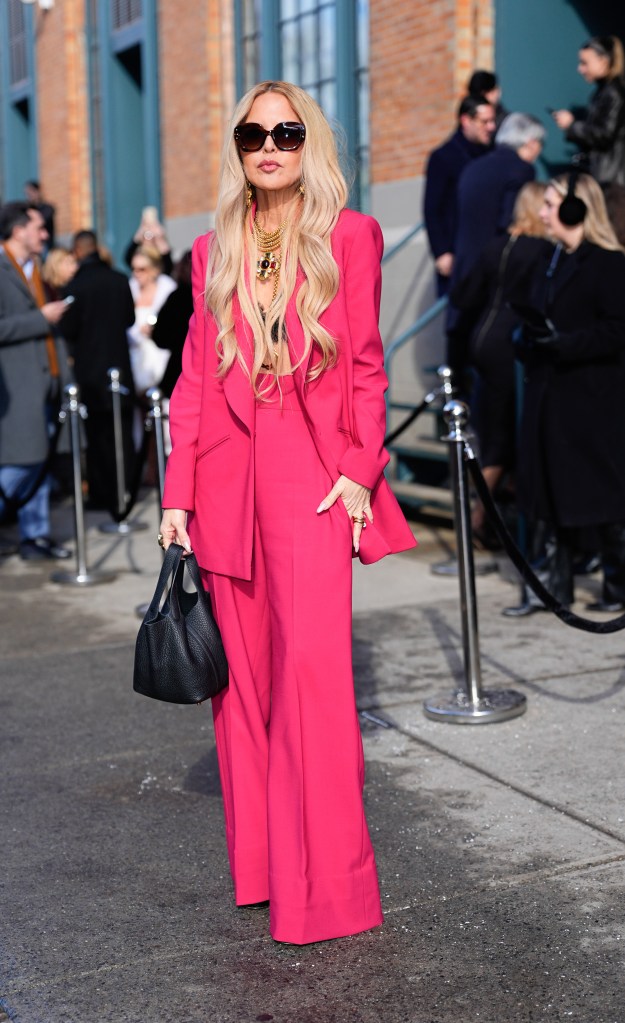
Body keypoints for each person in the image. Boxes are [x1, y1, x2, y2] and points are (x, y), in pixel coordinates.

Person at [158, 80, 417, 945]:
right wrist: (176, 495)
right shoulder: (212, 249)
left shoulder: (349, 235)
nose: (269, 146)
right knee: (245, 698)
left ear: (311, 140)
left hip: (309, 486)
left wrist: (357, 471)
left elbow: (370, 368)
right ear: (236, 147)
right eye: (252, 134)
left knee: (312, 686)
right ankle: (267, 869)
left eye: (286, 131)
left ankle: (332, 891)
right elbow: (194, 382)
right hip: (229, 490)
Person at [513, 172, 625, 612]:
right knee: (551, 491)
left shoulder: (610, 263)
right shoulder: (548, 260)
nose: (543, 211)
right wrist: (527, 340)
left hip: (594, 398)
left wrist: (566, 344)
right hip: (550, 394)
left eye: (551, 202)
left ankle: (618, 586)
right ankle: (554, 589)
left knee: (603, 494)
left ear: (576, 208)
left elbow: (616, 331)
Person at [450, 181, 548, 540]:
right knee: (504, 436)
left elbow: (464, 294)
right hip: (509, 345)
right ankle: (481, 519)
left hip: (482, 339)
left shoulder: (495, 246)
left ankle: (488, 516)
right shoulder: (541, 249)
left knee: (493, 429)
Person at [447, 112, 545, 374]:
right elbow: (509, 222)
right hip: (494, 281)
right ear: (531, 142)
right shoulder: (521, 169)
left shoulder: (474, 167)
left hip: (466, 271)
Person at [0, 202, 70, 560]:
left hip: (46, 383)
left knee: (41, 461)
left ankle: (35, 536)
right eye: (38, 228)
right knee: (19, 464)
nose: (45, 234)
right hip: (15, 385)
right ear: (18, 231)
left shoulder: (37, 270)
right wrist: (39, 318)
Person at [61, 230, 135, 511]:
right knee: (122, 431)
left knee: (96, 434)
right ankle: (125, 489)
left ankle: (103, 492)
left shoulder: (75, 287)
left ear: (78, 252)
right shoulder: (119, 279)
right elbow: (128, 318)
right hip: (119, 365)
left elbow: (68, 329)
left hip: (89, 371)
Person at [423, 95, 496, 295]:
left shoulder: (492, 155)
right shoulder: (443, 157)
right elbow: (432, 208)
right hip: (457, 257)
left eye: (492, 121)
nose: (491, 127)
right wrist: (442, 252)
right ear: (466, 120)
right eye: (485, 121)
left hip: (488, 253)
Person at [551, 36, 625, 186]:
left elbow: (605, 135)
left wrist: (572, 125)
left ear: (603, 62)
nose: (580, 69)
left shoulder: (614, 93)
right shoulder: (602, 92)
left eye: (585, 63)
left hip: (610, 180)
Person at [127, 245, 177, 394]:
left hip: (161, 357)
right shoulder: (130, 288)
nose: (136, 274)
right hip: (136, 357)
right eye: (134, 269)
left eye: (142, 269)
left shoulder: (167, 288)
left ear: (154, 269)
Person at [24, 180, 55, 253]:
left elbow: (43, 220)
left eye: (31, 192)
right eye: (28, 194)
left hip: (47, 244)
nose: (30, 196)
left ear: (38, 192)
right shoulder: (28, 208)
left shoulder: (48, 208)